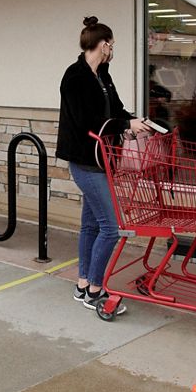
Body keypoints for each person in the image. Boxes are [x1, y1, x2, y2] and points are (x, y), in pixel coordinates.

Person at [56, 17, 149, 314]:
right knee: (111, 227)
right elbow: (86, 121)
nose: (112, 50)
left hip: (103, 158)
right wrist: (123, 124)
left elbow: (115, 109)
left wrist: (134, 121)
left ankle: (83, 283)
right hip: (85, 160)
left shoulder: (103, 75)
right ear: (102, 44)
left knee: (91, 224)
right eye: (111, 45)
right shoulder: (74, 77)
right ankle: (96, 290)